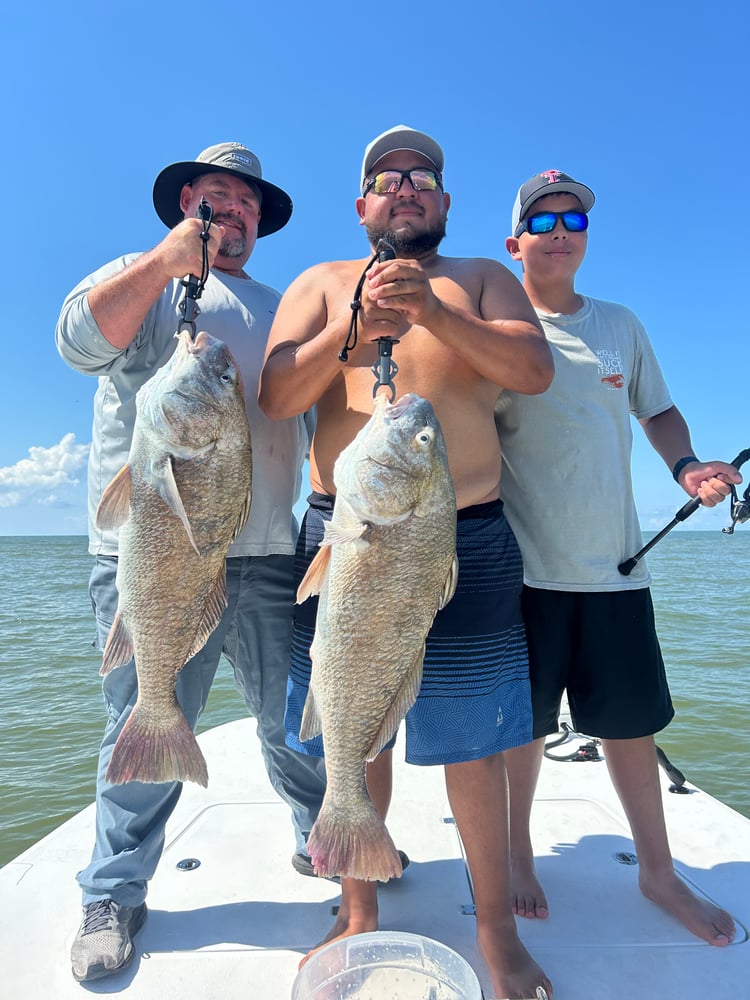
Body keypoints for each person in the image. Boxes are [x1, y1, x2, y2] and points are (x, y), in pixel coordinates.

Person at [259, 125, 556, 1000]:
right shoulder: (319, 283)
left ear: (446, 202)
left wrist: (433, 311)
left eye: (423, 176)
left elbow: (533, 369)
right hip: (347, 538)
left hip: (464, 538)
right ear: (362, 207)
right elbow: (278, 395)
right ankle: (360, 913)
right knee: (358, 723)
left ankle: (494, 930)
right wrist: (352, 328)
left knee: (476, 746)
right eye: (387, 179)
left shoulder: (483, 278)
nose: (406, 187)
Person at [56, 142, 328, 983]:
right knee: (141, 712)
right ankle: (113, 892)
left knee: (293, 717)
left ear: (260, 220)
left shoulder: (286, 307)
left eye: (247, 203)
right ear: (186, 203)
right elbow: (76, 343)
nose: (232, 212)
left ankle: (325, 839)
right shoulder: (137, 276)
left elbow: (317, 423)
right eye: (216, 197)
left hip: (267, 552)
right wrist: (168, 262)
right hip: (155, 549)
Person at [495, 169, 741, 947]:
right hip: (521, 572)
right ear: (515, 244)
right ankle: (516, 853)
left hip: (616, 569)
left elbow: (658, 409)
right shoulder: (497, 329)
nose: (560, 229)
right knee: (522, 733)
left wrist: (688, 466)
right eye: (542, 221)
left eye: (573, 218)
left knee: (631, 728)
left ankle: (658, 871)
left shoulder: (620, 325)